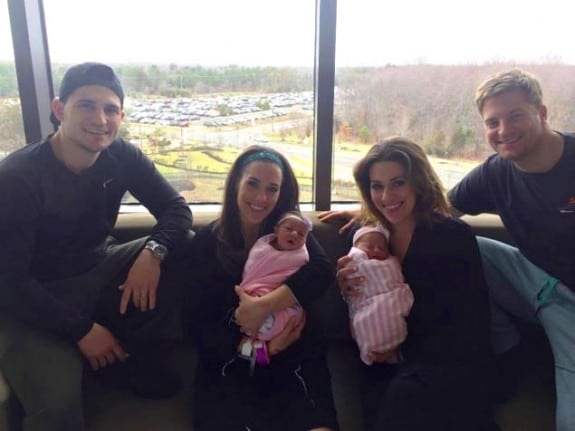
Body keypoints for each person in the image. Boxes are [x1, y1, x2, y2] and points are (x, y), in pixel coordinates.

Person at [0, 62, 194, 431]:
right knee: (58, 412)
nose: (100, 119)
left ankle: (127, 352)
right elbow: (10, 282)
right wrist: (82, 331)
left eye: (110, 109)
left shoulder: (122, 156)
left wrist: (153, 252)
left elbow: (176, 209)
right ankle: (86, 354)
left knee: (183, 244)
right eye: (86, 105)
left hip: (97, 270)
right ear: (59, 110)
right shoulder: (17, 178)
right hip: (33, 303)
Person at [320, 137, 495, 430]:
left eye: (398, 183)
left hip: (442, 363)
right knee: (387, 393)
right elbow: (355, 316)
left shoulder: (453, 236)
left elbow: (471, 325)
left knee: (406, 396)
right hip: (382, 363)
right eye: (376, 186)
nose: (387, 196)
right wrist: (346, 291)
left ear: (418, 183)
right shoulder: (367, 238)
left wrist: (401, 353)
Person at [448, 69, 575, 431]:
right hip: (538, 283)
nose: (504, 130)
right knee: (463, 246)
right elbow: (437, 211)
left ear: (543, 113)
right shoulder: (495, 173)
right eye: (493, 122)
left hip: (571, 311)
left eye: (516, 115)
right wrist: (374, 213)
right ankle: (508, 351)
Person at [186, 145, 339, 431]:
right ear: (235, 184)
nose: (261, 198)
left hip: (294, 353)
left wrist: (262, 307)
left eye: (273, 188)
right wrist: (265, 349)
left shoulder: (290, 233)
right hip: (230, 359)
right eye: (253, 184)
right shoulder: (207, 242)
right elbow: (198, 326)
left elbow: (321, 270)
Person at [345, 224, 413, 366]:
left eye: (382, 248)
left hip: (395, 305)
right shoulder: (354, 259)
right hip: (366, 308)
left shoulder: (390, 262)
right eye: (369, 246)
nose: (376, 250)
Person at [239, 210, 312, 342]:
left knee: (282, 322)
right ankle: (259, 351)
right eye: (289, 228)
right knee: (253, 343)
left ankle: (261, 347)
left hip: (279, 300)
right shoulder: (262, 247)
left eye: (301, 234)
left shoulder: (299, 258)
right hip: (256, 294)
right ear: (276, 231)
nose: (295, 234)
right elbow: (253, 269)